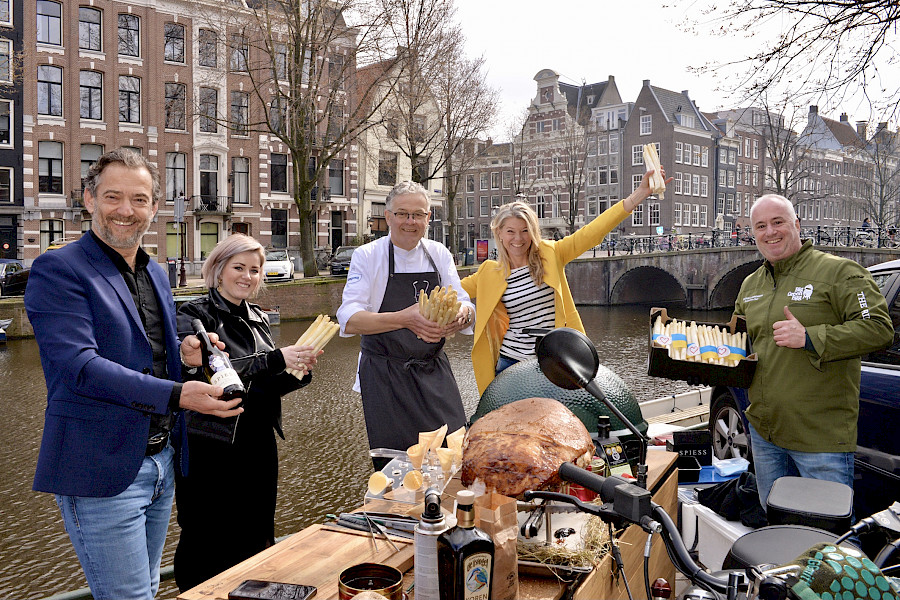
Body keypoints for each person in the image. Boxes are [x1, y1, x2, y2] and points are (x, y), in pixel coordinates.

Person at [24, 148, 242, 600]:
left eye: (139, 199)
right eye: (113, 197)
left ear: (155, 207)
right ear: (89, 199)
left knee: (147, 588)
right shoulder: (58, 268)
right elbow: (79, 367)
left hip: (161, 463)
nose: (126, 210)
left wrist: (185, 354)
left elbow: (146, 353)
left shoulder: (156, 273)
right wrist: (177, 394)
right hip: (102, 468)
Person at [173, 234, 319, 591]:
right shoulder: (194, 314)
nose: (248, 276)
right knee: (206, 535)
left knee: (257, 530)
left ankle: (252, 593)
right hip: (211, 444)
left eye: (255, 270)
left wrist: (297, 373)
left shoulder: (259, 317)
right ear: (219, 269)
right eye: (239, 267)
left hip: (257, 442)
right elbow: (216, 371)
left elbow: (262, 386)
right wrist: (276, 359)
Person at [734, 194, 893, 508]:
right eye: (761, 226)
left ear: (796, 224)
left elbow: (879, 329)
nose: (770, 232)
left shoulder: (840, 273)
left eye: (778, 222)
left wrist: (810, 337)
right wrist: (700, 365)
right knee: (776, 523)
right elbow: (737, 346)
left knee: (824, 528)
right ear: (753, 233)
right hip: (766, 434)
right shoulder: (750, 285)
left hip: (819, 439)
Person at [461, 168, 670, 395]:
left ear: (533, 231)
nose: (518, 238)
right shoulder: (490, 272)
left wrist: (639, 194)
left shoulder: (551, 254)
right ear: (499, 234)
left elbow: (592, 233)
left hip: (555, 361)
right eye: (510, 231)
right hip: (511, 364)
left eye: (525, 231)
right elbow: (453, 291)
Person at [336, 181, 474, 468]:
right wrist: (406, 318)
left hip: (434, 368)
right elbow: (349, 318)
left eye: (418, 214)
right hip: (385, 374)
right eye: (402, 214)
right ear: (388, 217)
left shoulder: (439, 253)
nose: (410, 222)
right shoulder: (368, 256)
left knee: (454, 451)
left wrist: (461, 316)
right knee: (396, 464)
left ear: (428, 218)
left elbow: (464, 302)